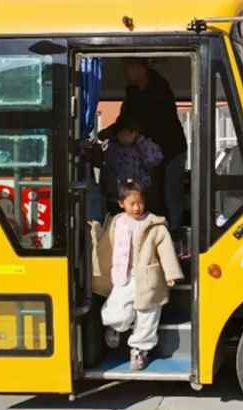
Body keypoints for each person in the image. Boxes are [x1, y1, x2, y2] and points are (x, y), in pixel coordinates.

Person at [90, 180, 183, 371]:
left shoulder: (154, 225)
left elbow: (165, 249)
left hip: (149, 277)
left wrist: (170, 273)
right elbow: (105, 244)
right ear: (121, 204)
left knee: (148, 315)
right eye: (131, 203)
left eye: (140, 202)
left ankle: (139, 349)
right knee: (118, 309)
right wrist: (95, 231)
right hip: (123, 276)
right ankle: (115, 327)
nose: (136, 207)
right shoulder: (116, 222)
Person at [100, 57, 188, 230]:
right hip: (148, 151)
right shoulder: (133, 91)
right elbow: (126, 118)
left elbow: (144, 121)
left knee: (170, 195)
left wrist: (128, 134)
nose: (125, 74)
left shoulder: (159, 90)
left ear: (139, 69)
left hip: (170, 150)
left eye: (128, 69)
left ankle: (173, 232)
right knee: (151, 195)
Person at [98, 115, 163, 214]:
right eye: (122, 133)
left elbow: (154, 160)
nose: (126, 136)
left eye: (130, 133)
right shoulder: (112, 148)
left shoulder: (145, 146)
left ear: (136, 133)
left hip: (140, 193)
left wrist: (142, 144)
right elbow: (104, 163)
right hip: (116, 194)